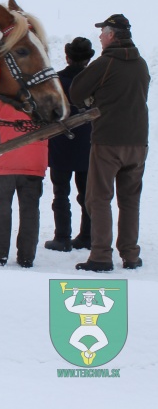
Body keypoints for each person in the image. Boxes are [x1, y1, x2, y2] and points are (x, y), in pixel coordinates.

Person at [70, 14, 149, 272]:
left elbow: (76, 92)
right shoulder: (141, 64)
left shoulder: (104, 63)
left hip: (107, 141)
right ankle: (130, 254)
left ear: (112, 34)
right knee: (129, 200)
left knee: (98, 198)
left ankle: (101, 256)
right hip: (138, 142)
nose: (100, 37)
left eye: (103, 32)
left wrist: (92, 100)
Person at [0, 101, 48, 268]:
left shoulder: (2, 93)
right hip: (34, 159)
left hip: (3, 157)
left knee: (1, 207)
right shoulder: (43, 92)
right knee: (30, 209)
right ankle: (27, 256)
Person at [44, 37, 94, 252]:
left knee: (60, 193)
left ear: (67, 57)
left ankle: (62, 237)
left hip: (61, 143)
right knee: (87, 196)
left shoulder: (57, 80)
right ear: (88, 59)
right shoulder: (95, 80)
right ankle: (87, 236)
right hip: (88, 144)